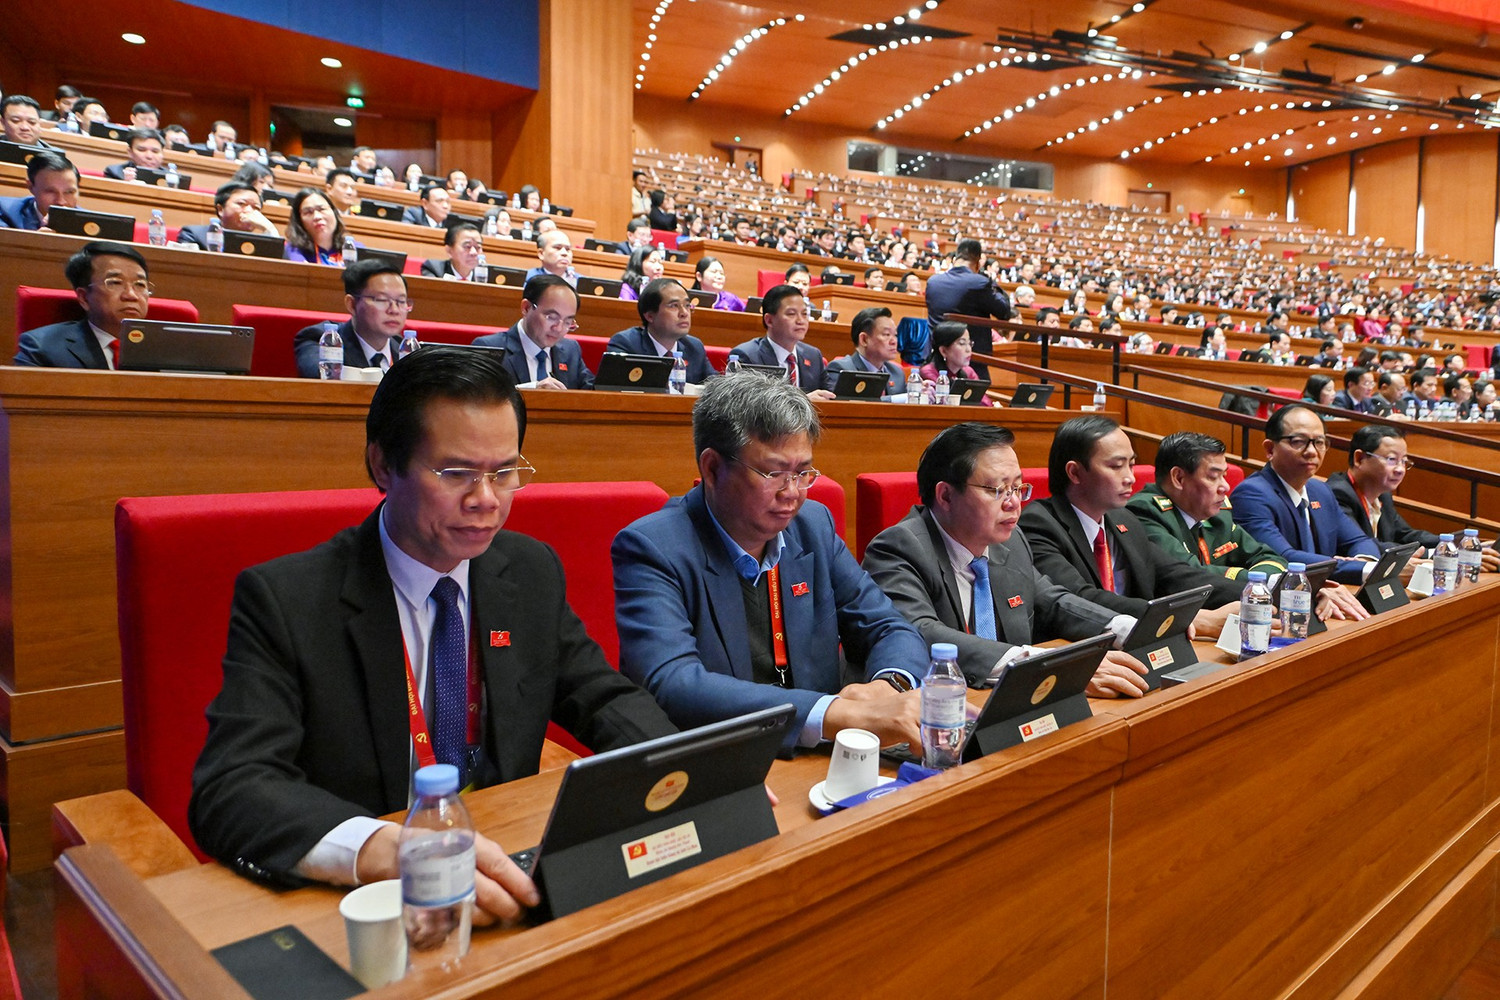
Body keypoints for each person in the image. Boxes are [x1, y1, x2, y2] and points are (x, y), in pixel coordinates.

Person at [189, 344, 675, 912]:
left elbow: (601, 697)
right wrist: (388, 849)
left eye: (504, 473)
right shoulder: (289, 600)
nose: (486, 500)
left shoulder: (528, 571)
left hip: (501, 867)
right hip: (371, 900)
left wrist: (687, 766)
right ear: (382, 465)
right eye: (456, 473)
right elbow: (232, 786)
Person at [612, 373, 926, 749]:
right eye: (774, 473)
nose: (792, 493)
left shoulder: (813, 526)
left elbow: (889, 627)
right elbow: (673, 683)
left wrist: (888, 686)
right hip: (718, 757)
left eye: (803, 473)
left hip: (822, 756)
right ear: (712, 468)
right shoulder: (654, 547)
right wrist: (833, 714)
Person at [861, 423, 1149, 696]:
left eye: (1018, 488)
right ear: (946, 495)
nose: (1013, 503)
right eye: (998, 490)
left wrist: (1129, 628)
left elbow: (1052, 601)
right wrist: (1048, 666)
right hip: (932, 708)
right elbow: (921, 632)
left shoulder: (1010, 542)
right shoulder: (898, 548)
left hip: (1004, 703)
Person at [1017, 416, 1242, 631]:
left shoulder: (1123, 519)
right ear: (1075, 472)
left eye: (1131, 465)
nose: (1130, 478)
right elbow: (1080, 599)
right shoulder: (1040, 524)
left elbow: (1176, 575)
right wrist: (1187, 617)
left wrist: (1252, 594)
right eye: (1116, 466)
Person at [1229, 405, 1382, 584]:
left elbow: (1359, 540)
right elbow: (1283, 557)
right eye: (1298, 441)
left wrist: (1365, 561)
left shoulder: (1321, 490)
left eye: (1319, 442)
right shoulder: (1251, 495)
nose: (1312, 451)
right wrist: (1363, 569)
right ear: (1270, 449)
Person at [1329, 425, 1500, 569]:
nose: (1400, 469)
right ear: (1359, 458)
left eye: (1404, 461)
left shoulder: (1383, 496)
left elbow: (1407, 535)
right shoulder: (1338, 494)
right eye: (1391, 459)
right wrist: (1442, 554)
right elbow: (1365, 546)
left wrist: (1455, 544)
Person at [13, 241, 151, 369]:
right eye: (115, 282)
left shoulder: (161, 346)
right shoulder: (41, 348)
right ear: (84, 297)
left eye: (140, 284)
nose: (131, 295)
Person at [291, 259, 412, 377]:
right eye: (381, 300)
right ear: (352, 304)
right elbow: (326, 381)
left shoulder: (407, 349)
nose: (394, 310)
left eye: (401, 301)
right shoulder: (323, 341)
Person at [473, 274, 595, 391]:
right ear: (526, 308)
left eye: (568, 322)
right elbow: (480, 397)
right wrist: (530, 390)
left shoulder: (570, 350)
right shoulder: (490, 348)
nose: (558, 329)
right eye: (551, 317)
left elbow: (592, 392)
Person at [729, 285, 836, 400]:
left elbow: (832, 399)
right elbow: (744, 404)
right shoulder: (747, 356)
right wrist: (804, 401)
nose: (801, 320)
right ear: (769, 320)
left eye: (804, 314)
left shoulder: (813, 355)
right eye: (791, 314)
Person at [607, 278, 717, 384]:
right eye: (674, 306)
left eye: (687, 305)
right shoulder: (626, 345)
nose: (684, 313)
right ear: (650, 316)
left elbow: (715, 387)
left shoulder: (694, 347)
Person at [924, 238, 1011, 349]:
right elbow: (1004, 312)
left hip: (936, 352)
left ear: (954, 260)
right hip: (970, 355)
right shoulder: (979, 282)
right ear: (978, 264)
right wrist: (992, 282)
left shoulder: (933, 282)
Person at [822, 306, 906, 394]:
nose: (894, 341)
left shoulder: (897, 373)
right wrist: (893, 399)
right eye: (886, 334)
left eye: (895, 335)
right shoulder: (841, 370)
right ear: (864, 339)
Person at [177, 181, 279, 247]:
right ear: (220, 209)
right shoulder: (194, 235)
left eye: (256, 208)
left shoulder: (262, 243)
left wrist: (270, 229)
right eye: (241, 204)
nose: (249, 210)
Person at [0, 150, 79, 230]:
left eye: (69, 192)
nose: (61, 202)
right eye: (50, 191)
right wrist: (38, 237)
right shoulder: (5, 212)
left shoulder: (85, 221)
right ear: (31, 187)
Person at [918, 321, 992, 406]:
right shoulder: (929, 372)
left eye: (969, 343)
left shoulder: (968, 371)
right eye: (962, 343)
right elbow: (947, 403)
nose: (968, 349)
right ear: (943, 351)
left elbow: (986, 402)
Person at [283, 188, 356, 265]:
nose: (317, 216)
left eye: (321, 209)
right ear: (299, 220)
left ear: (334, 212)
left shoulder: (353, 247)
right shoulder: (294, 250)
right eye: (308, 212)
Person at [420, 222, 486, 281]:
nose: (474, 252)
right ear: (449, 251)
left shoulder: (487, 274)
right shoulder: (435, 269)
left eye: (478, 247)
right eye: (467, 246)